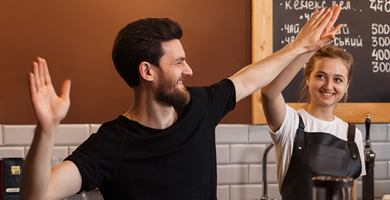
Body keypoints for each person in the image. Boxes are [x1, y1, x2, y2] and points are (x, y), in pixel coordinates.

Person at [21, 6, 343, 200]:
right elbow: (37, 195)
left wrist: (300, 46)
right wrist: (46, 129)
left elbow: (248, 79)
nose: (189, 70)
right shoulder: (112, 143)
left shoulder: (198, 107)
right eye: (178, 63)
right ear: (147, 71)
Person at [260, 44, 364, 200]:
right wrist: (306, 47)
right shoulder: (290, 123)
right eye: (320, 76)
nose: (328, 86)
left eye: (337, 79)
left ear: (346, 84)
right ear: (307, 77)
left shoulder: (353, 134)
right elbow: (269, 93)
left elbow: (351, 194)